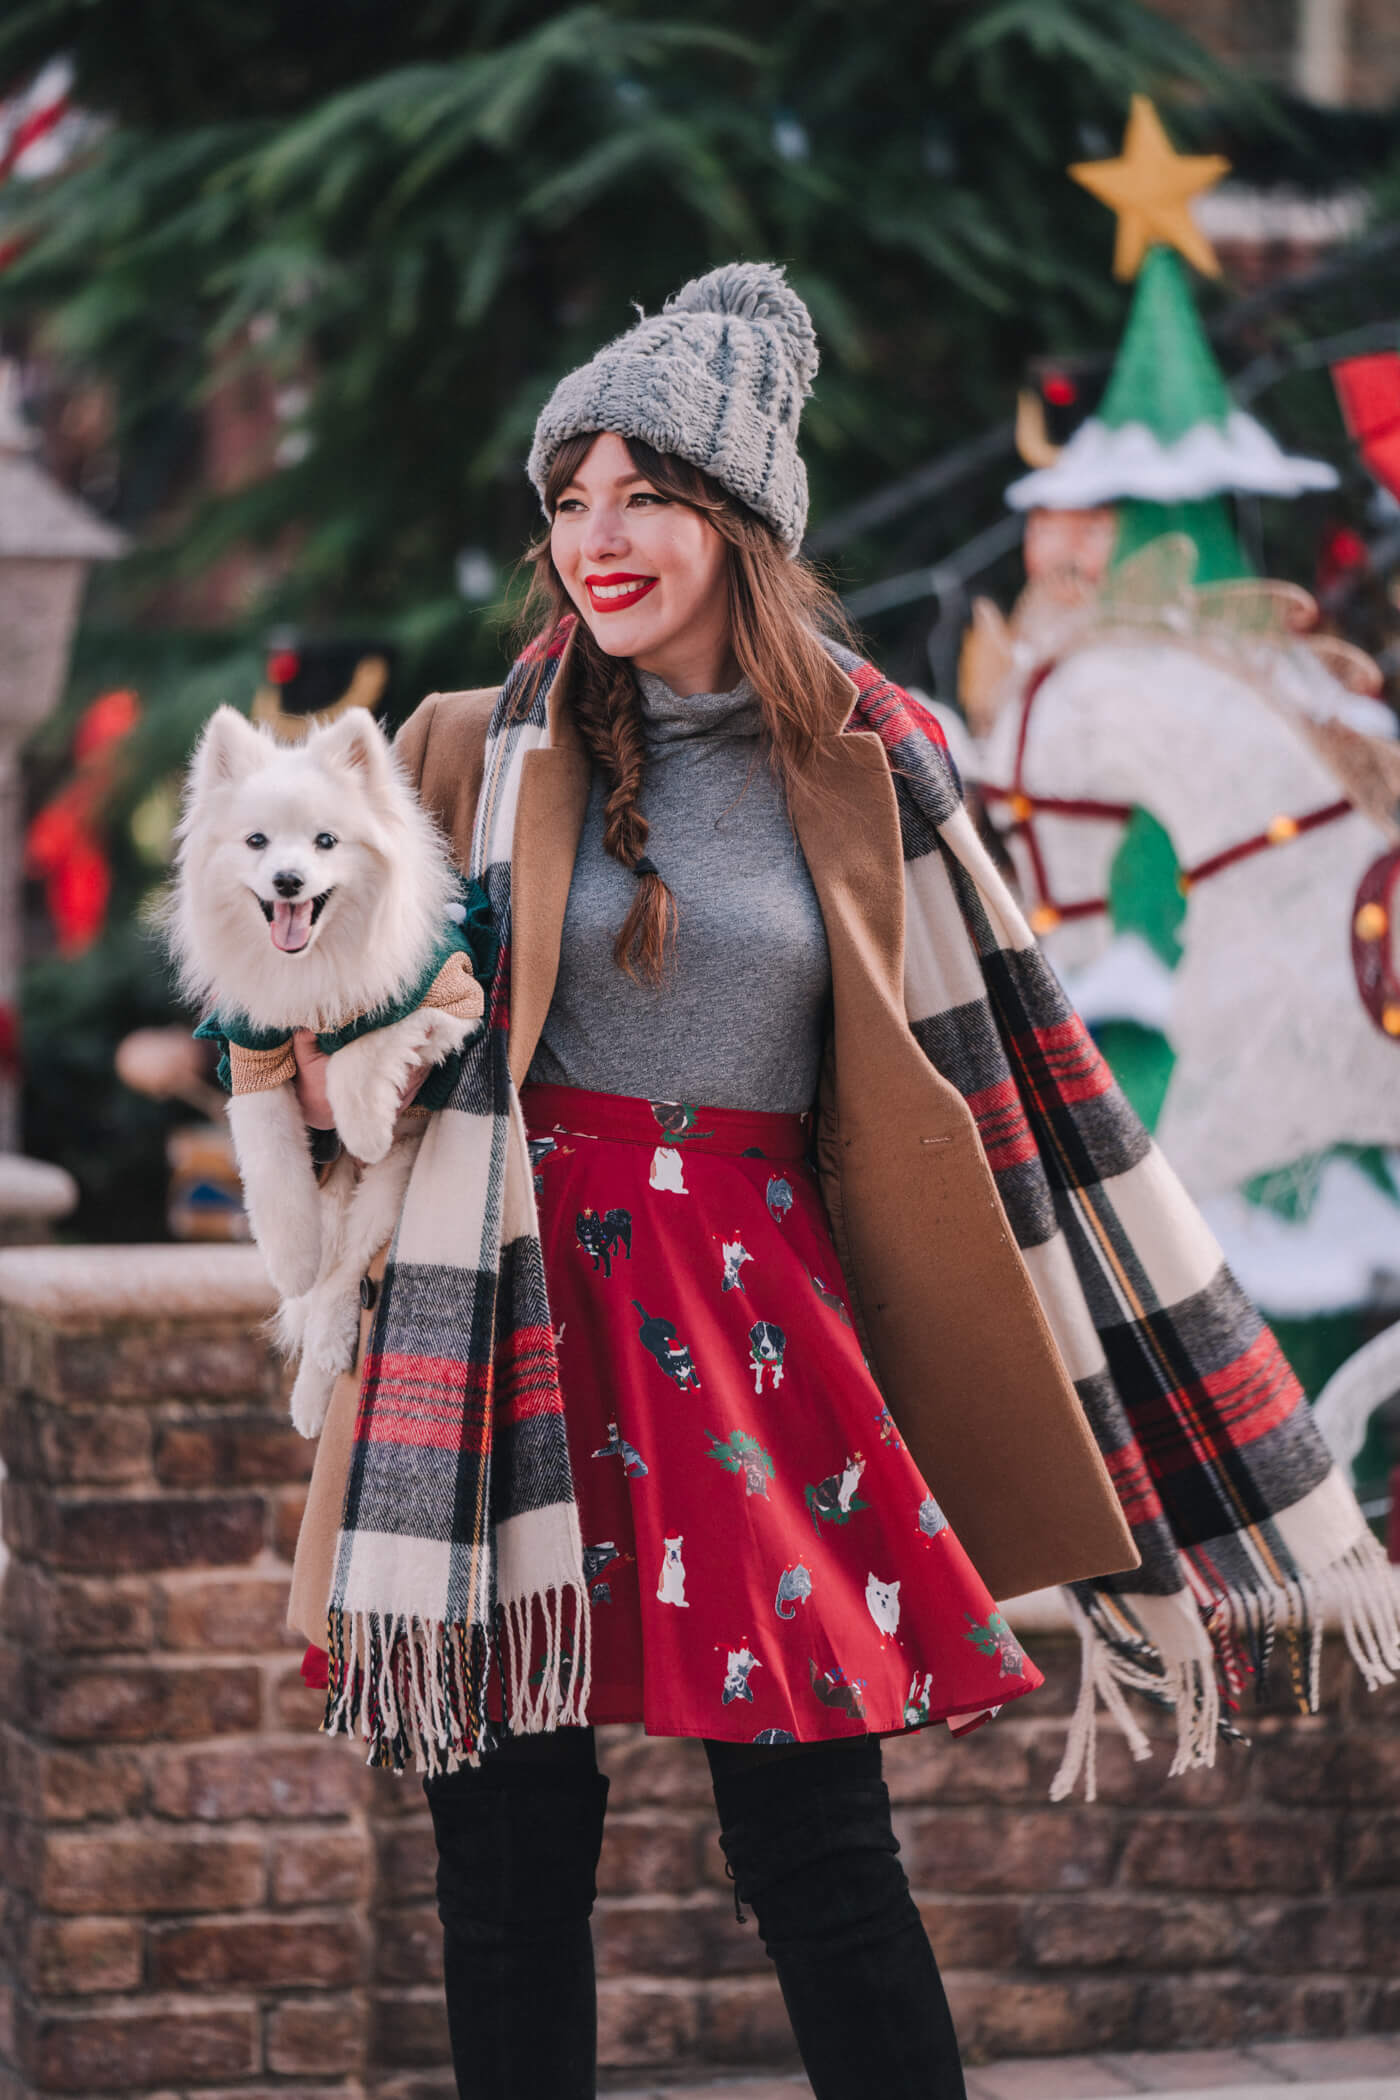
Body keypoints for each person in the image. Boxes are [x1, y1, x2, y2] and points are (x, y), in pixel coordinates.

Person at [286, 264, 1396, 2100]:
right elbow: (305, 1032)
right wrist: (327, 1066)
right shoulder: (466, 755)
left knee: (816, 1852)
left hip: (752, 1343)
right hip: (505, 1323)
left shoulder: (873, 766)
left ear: (739, 518)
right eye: (571, 498)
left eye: (644, 493)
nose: (598, 537)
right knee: (501, 1861)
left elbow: (1007, 1074)